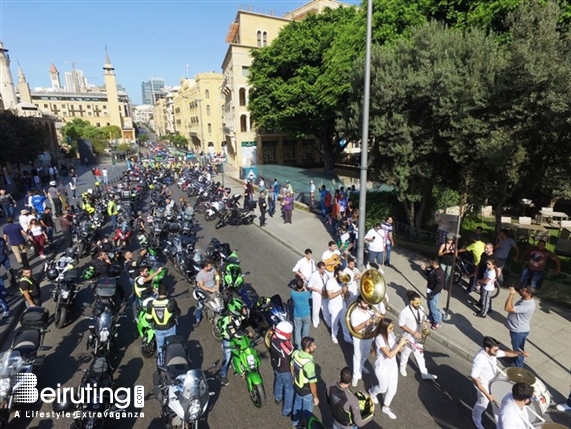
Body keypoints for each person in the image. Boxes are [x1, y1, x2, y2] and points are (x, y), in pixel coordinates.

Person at [470, 336, 528, 429]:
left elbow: (506, 353)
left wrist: (520, 354)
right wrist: (487, 395)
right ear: (487, 348)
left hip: (493, 383)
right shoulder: (479, 359)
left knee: (497, 405)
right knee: (482, 404)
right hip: (484, 385)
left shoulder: (493, 352)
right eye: (495, 350)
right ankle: (476, 418)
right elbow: (474, 378)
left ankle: (499, 425)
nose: (497, 351)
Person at [368, 318, 409, 420]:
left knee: (392, 390)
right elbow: (389, 355)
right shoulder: (379, 338)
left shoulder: (392, 335)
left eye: (393, 327)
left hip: (392, 366)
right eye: (390, 327)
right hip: (382, 367)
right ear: (384, 329)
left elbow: (398, 350)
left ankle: (386, 407)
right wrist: (399, 345)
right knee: (383, 388)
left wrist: (403, 345)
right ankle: (372, 392)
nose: (392, 329)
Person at [398, 290, 437, 380]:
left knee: (420, 355)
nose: (419, 304)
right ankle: (402, 367)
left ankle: (424, 373)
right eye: (417, 302)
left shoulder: (421, 308)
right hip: (408, 337)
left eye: (420, 302)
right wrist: (413, 332)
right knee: (405, 354)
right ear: (411, 302)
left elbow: (424, 319)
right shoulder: (404, 312)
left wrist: (425, 323)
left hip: (418, 336)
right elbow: (401, 325)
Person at [349, 295, 383, 387]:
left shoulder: (371, 310)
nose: (367, 304)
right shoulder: (354, 314)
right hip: (359, 338)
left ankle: (362, 365)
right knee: (357, 356)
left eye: (367, 302)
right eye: (364, 302)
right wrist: (366, 323)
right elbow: (355, 329)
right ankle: (356, 376)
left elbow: (383, 318)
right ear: (359, 304)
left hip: (369, 336)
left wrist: (380, 316)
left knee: (365, 354)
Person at [146, 284, 180, 366]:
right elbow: (178, 313)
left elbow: (148, 318)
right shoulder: (171, 302)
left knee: (160, 347)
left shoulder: (151, 303)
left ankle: (160, 364)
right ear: (167, 292)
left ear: (158, 292)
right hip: (170, 327)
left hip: (158, 329)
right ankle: (171, 363)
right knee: (171, 346)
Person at [218, 297, 249, 386]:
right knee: (227, 358)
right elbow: (234, 333)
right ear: (236, 309)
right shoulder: (228, 320)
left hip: (234, 335)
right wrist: (246, 332)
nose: (244, 310)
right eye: (242, 309)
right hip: (227, 339)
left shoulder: (236, 315)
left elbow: (243, 320)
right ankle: (222, 375)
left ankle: (238, 367)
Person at [291, 337, 319, 429]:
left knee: (297, 403)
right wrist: (315, 397)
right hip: (306, 390)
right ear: (307, 348)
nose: (315, 347)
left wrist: (294, 376)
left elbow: (291, 364)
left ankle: (295, 422)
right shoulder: (309, 364)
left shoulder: (296, 353)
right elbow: (312, 383)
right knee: (307, 411)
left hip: (297, 385)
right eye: (313, 346)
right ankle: (306, 425)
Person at [504, 286, 535, 367]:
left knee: (519, 349)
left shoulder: (527, 306)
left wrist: (511, 295)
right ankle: (513, 357)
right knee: (516, 346)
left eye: (523, 290)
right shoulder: (526, 300)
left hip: (518, 331)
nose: (520, 290)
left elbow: (507, 308)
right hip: (518, 329)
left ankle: (517, 366)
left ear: (528, 294)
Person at [269, 321, 295, 417]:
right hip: (285, 368)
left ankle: (277, 397)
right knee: (289, 389)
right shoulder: (284, 345)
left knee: (278, 380)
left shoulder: (274, 338)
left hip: (276, 365)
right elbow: (290, 352)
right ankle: (287, 411)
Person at [326, 267, 352, 345]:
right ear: (336, 275)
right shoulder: (330, 282)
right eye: (340, 275)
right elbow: (330, 296)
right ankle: (334, 335)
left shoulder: (342, 282)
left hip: (342, 305)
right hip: (334, 306)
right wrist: (341, 291)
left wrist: (346, 291)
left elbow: (346, 296)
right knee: (335, 322)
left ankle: (347, 338)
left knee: (345, 321)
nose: (342, 277)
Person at [194, 259, 220, 326]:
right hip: (204, 292)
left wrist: (217, 285)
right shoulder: (200, 275)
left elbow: (217, 275)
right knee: (200, 306)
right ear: (205, 267)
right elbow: (201, 286)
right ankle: (197, 320)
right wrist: (210, 290)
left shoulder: (212, 269)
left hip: (213, 289)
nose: (211, 267)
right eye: (209, 266)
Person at [306, 261, 331, 329]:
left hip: (324, 293)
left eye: (324, 268)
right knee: (316, 308)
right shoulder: (314, 275)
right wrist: (319, 290)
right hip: (317, 293)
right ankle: (315, 321)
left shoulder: (326, 274)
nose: (324, 270)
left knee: (325, 308)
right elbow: (309, 285)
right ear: (318, 268)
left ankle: (328, 321)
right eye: (322, 269)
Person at [423, 258, 445, 329]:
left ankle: (437, 321)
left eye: (430, 262)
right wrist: (425, 269)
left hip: (433, 292)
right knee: (429, 305)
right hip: (429, 290)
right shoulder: (433, 269)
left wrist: (433, 293)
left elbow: (439, 285)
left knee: (433, 307)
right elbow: (429, 274)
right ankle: (430, 317)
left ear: (434, 263)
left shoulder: (439, 272)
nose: (429, 263)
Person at [290, 278, 311, 349]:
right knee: (306, 329)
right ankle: (305, 344)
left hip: (297, 315)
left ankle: (298, 346)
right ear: (302, 286)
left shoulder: (293, 293)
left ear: (295, 285)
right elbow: (309, 296)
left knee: (297, 329)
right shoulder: (306, 294)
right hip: (306, 314)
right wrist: (304, 288)